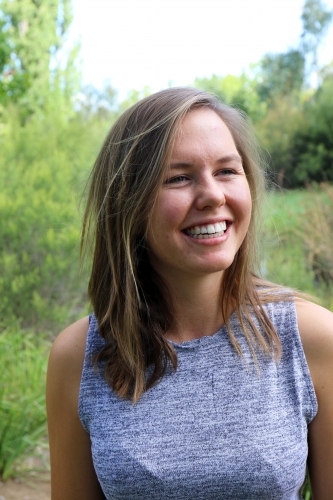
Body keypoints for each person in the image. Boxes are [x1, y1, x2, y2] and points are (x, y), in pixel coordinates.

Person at [46, 87, 333, 500]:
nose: (213, 195)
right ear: (130, 202)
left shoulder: (312, 340)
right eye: (179, 177)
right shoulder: (79, 357)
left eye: (227, 171)